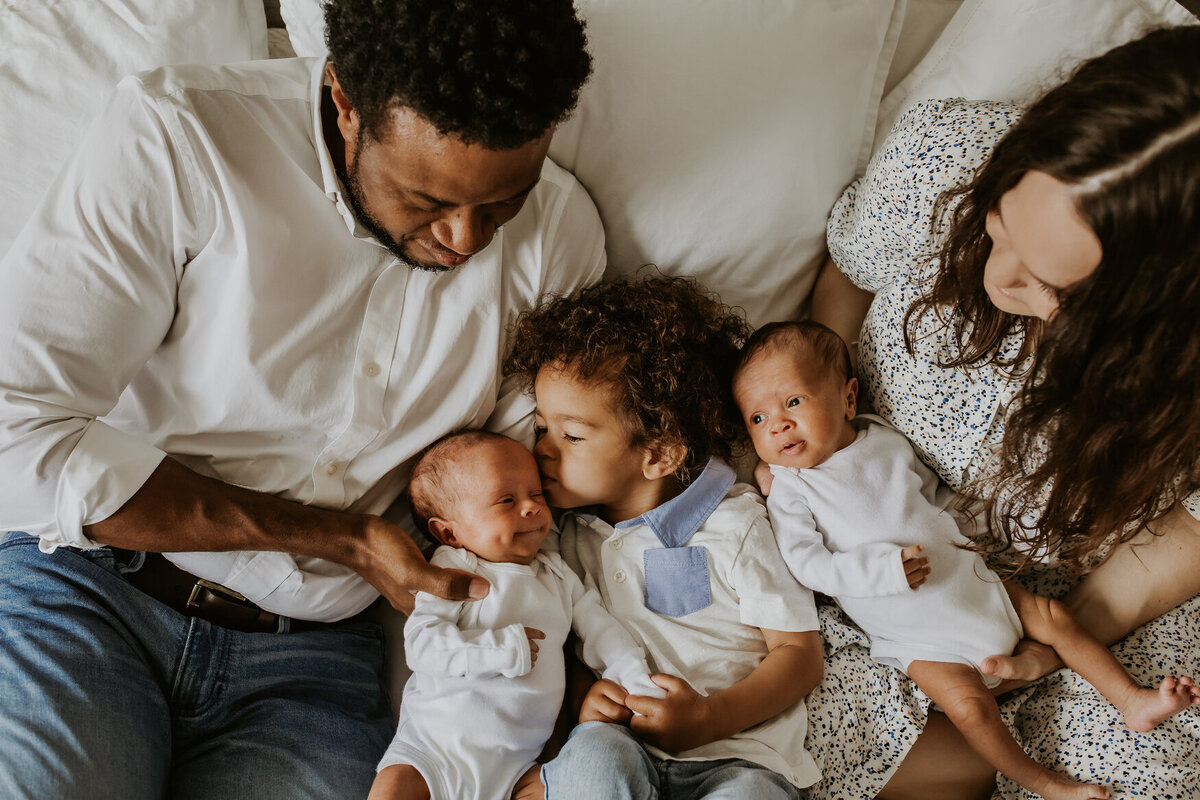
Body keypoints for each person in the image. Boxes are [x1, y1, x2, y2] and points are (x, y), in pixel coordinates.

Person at [0, 1, 603, 797]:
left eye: (500, 206)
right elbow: (16, 432)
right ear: (346, 102)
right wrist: (344, 539)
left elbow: (531, 494)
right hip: (92, 591)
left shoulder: (560, 240)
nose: (463, 240)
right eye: (425, 202)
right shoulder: (180, 136)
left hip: (312, 669)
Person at [805, 24, 1200, 800]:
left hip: (1086, 605)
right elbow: (843, 287)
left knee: (1149, 771)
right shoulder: (945, 154)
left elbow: (1185, 536)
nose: (999, 279)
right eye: (999, 226)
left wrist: (1056, 644)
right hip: (879, 559)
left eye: (1050, 287)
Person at [733, 320, 1200, 800]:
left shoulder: (882, 438)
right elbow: (809, 565)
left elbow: (933, 499)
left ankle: (1131, 700)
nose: (778, 424)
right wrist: (882, 571)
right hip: (916, 634)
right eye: (757, 419)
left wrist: (976, 533)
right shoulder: (791, 490)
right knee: (970, 708)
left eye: (793, 402)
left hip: (974, 582)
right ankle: (1050, 785)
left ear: (849, 398)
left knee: (1056, 618)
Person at [504, 276, 825, 799]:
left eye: (572, 436)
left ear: (658, 454)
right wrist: (589, 698)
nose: (542, 450)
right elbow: (567, 642)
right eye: (541, 428)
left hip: (738, 755)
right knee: (589, 757)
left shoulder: (735, 524)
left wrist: (707, 717)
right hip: (623, 749)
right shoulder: (561, 537)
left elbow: (799, 654)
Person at [369, 430, 660, 800]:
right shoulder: (452, 570)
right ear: (449, 532)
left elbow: (602, 630)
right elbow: (423, 646)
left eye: (536, 493)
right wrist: (497, 650)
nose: (531, 507)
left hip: (518, 769)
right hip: (431, 754)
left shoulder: (557, 575)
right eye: (506, 500)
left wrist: (635, 678)